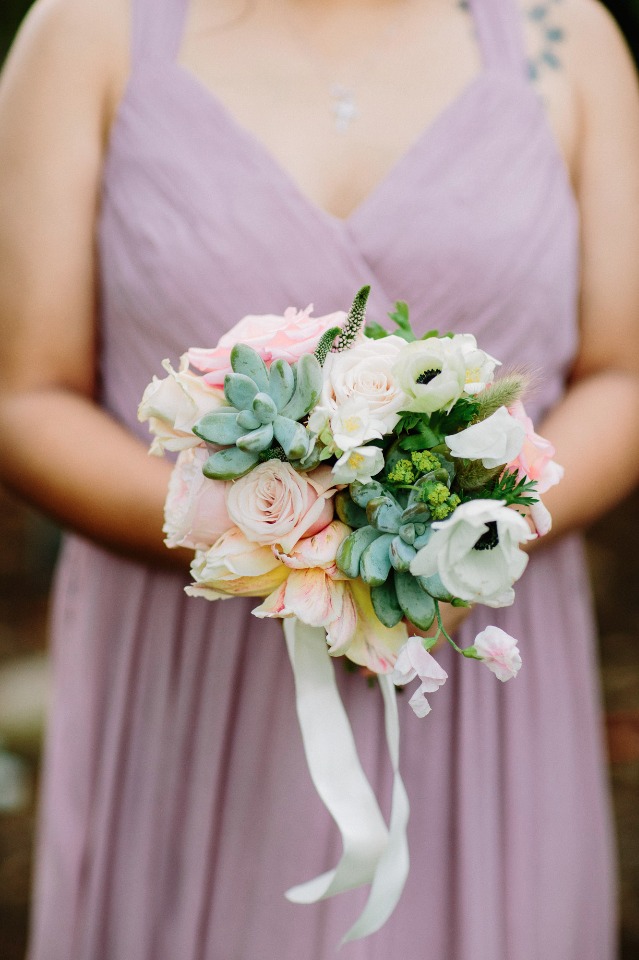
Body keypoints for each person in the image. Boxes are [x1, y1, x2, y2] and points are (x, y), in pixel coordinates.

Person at [1, 0, 639, 956]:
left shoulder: (564, 33)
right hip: (188, 682)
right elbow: (25, 396)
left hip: (480, 663)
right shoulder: (86, 29)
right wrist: (295, 549)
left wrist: (459, 551)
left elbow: (622, 374)